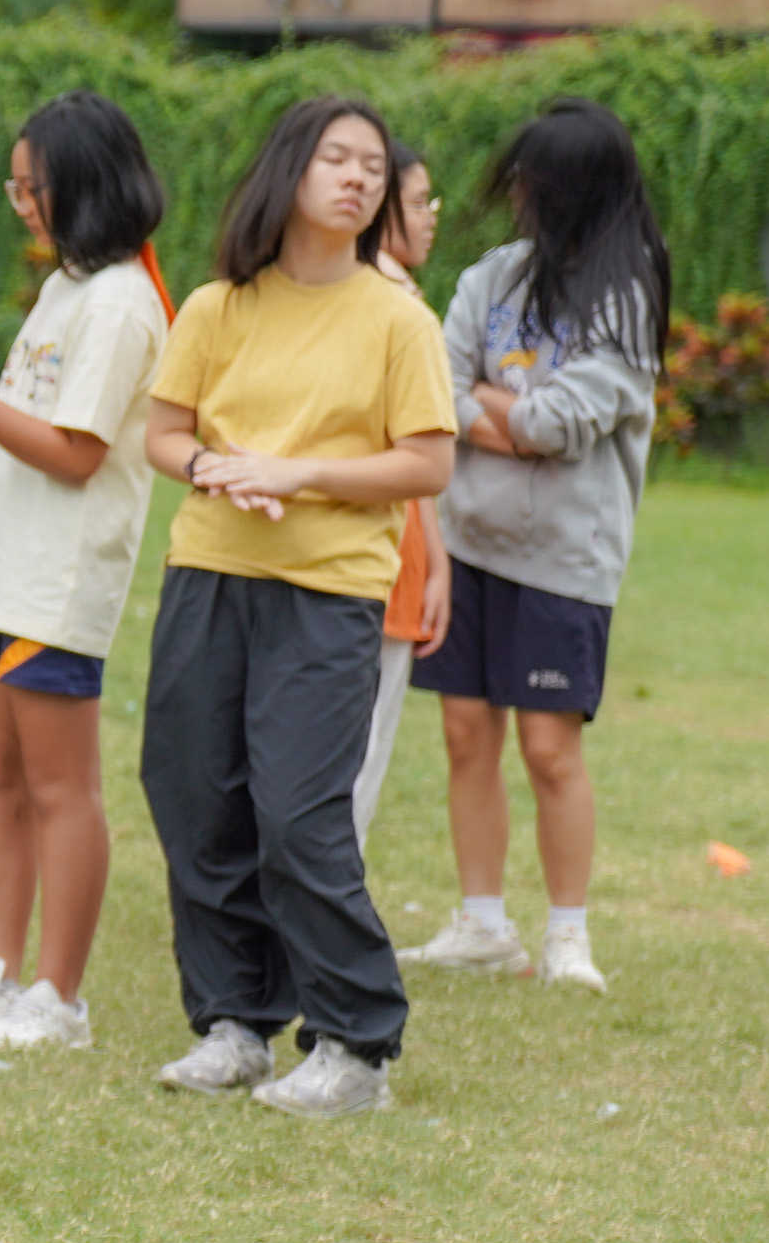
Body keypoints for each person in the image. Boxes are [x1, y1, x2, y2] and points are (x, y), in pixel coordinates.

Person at [135, 96, 459, 1116]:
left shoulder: (397, 318)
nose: (358, 178)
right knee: (197, 799)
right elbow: (163, 435)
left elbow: (427, 462)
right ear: (289, 169)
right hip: (207, 571)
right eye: (336, 158)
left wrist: (297, 471)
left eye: (373, 166)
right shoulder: (215, 306)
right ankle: (233, 1026)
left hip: (329, 592)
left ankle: (355, 1045)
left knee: (298, 816)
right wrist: (213, 468)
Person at [0, 88, 173, 1051]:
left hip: (57, 581)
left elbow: (76, 453)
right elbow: (38, 417)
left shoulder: (121, 302)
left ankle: (58, 995)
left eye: (34, 188)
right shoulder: (70, 284)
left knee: (61, 789)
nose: (22, 203)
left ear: (87, 185)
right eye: (17, 187)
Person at [402, 101, 664, 995]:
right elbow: (435, 393)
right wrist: (507, 420)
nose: (518, 193)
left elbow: (559, 425)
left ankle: (567, 936)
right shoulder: (492, 276)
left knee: (550, 750)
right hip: (470, 544)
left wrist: (488, 410)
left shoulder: (628, 300)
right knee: (464, 735)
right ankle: (481, 924)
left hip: (565, 560)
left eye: (535, 179)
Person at [345, 138, 453, 851]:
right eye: (417, 202)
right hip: (374, 554)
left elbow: (422, 456)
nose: (430, 216)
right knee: (357, 753)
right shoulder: (394, 306)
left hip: (394, 551)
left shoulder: (390, 297)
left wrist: (436, 561)